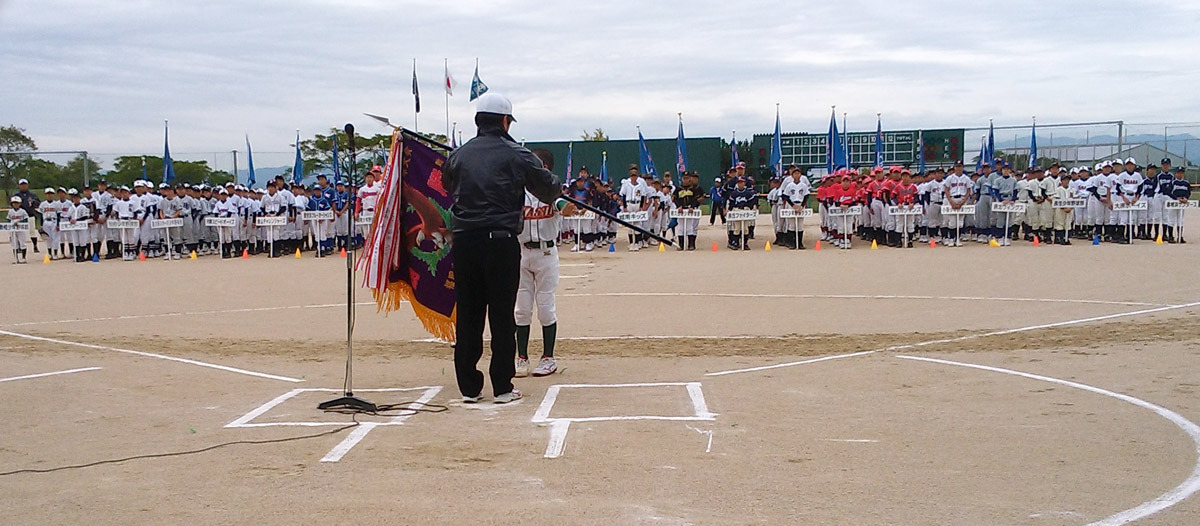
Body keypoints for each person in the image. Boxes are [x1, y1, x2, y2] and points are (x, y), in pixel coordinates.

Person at [443, 92, 561, 405]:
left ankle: (469, 387)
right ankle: (502, 386)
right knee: (501, 314)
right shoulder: (517, 154)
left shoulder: (459, 155)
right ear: (505, 121)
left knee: (468, 314)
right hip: (500, 240)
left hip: (465, 240)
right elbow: (548, 187)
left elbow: (447, 184)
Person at [513, 148, 574, 379]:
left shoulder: (552, 191)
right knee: (521, 309)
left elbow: (560, 203)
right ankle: (522, 357)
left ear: (545, 169)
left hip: (546, 253)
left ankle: (549, 357)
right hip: (521, 253)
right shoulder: (518, 192)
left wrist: (565, 208)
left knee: (546, 307)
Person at [779, 167, 811, 249]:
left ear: (800, 175)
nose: (796, 175)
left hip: (800, 204)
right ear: (792, 175)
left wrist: (802, 206)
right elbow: (786, 196)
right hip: (792, 204)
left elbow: (806, 195)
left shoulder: (803, 185)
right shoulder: (790, 185)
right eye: (795, 173)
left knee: (800, 225)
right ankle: (792, 243)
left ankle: (800, 243)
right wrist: (792, 205)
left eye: (798, 173)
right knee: (791, 225)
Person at [12, 178, 40, 253]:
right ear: (19, 186)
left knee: (32, 231)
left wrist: (33, 202)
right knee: (19, 232)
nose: (23, 186)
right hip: (20, 217)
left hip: (30, 215)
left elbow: (38, 203)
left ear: (27, 185)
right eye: (22, 185)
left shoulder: (32, 195)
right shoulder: (16, 195)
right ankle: (19, 247)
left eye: (25, 185)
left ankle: (35, 246)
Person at [1165, 167, 1191, 243]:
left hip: (1182, 203)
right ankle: (1170, 236)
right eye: (1178, 173)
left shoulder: (1186, 183)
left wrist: (1186, 198)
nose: (1180, 174)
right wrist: (1176, 198)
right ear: (1175, 173)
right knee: (1171, 219)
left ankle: (1180, 236)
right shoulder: (1173, 182)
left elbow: (1188, 192)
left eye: (1181, 173)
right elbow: (1168, 192)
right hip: (1173, 201)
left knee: (1180, 220)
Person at [1051, 173, 1075, 245]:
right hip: (1060, 209)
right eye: (1065, 180)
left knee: (1068, 223)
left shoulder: (1072, 190)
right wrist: (1063, 208)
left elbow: (1075, 199)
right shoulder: (1058, 189)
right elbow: (1056, 199)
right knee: (1059, 223)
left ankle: (1066, 238)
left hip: (1069, 209)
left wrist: (1070, 208)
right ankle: (1060, 238)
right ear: (1061, 181)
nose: (1066, 181)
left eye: (1067, 179)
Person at [8, 196, 29, 263]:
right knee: (14, 243)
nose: (15, 204)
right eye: (14, 203)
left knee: (23, 243)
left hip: (21, 229)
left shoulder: (22, 211)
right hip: (13, 229)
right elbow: (8, 219)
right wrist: (11, 224)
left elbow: (26, 219)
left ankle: (23, 258)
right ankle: (15, 258)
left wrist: (19, 222)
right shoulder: (10, 211)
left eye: (17, 203)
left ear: (20, 204)